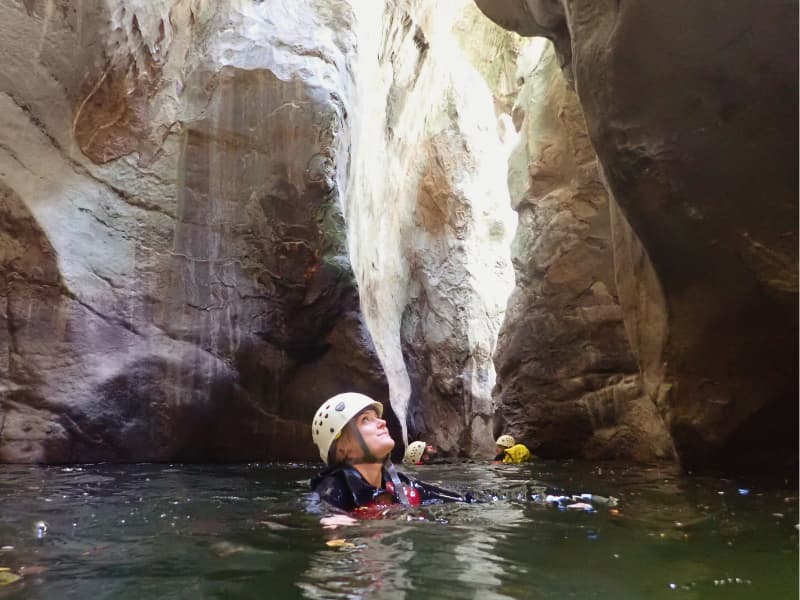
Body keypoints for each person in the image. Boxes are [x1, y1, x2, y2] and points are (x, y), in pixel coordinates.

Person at [310, 392, 469, 518]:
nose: (382, 422)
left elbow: (460, 500)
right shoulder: (333, 489)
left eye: (377, 417)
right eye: (366, 419)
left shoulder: (400, 484)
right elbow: (322, 515)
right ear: (341, 448)